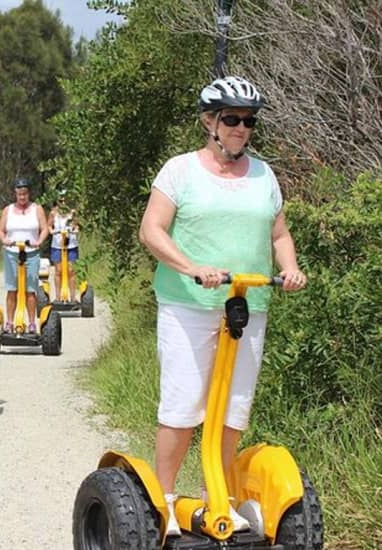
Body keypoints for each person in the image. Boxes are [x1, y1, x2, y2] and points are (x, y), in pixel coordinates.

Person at [139, 76, 307, 536]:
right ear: (208, 122)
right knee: (183, 402)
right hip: (188, 303)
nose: (240, 128)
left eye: (248, 121)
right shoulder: (179, 171)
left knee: (234, 407)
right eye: (231, 119)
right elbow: (152, 230)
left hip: (249, 303)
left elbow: (279, 234)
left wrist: (289, 267)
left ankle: (220, 496)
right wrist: (191, 266)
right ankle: (167, 499)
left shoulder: (263, 175)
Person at [0, 178, 49, 333]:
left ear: (28, 193)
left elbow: (44, 228)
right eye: (19, 194)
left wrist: (38, 241)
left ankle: (32, 323)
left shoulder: (37, 209)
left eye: (25, 194)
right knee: (12, 289)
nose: (22, 197)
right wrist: (5, 240)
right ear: (15, 194)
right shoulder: (8, 210)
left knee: (30, 290)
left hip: (31, 253)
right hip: (12, 253)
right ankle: (10, 322)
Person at [48, 190, 79, 301]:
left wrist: (74, 230)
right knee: (58, 271)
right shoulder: (53, 213)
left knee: (70, 270)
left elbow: (76, 226)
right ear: (57, 201)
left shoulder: (73, 212)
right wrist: (52, 231)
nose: (63, 202)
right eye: (61, 200)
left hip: (71, 244)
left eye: (65, 200)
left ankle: (73, 298)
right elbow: (49, 226)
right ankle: (57, 297)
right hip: (57, 244)